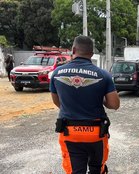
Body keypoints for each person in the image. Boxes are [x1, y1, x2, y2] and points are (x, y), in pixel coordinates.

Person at [50, 35, 120, 173]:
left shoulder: (57, 73)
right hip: (96, 133)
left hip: (70, 133)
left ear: (73, 49)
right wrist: (100, 99)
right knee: (97, 169)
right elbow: (114, 104)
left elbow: (57, 101)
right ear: (92, 53)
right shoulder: (104, 75)